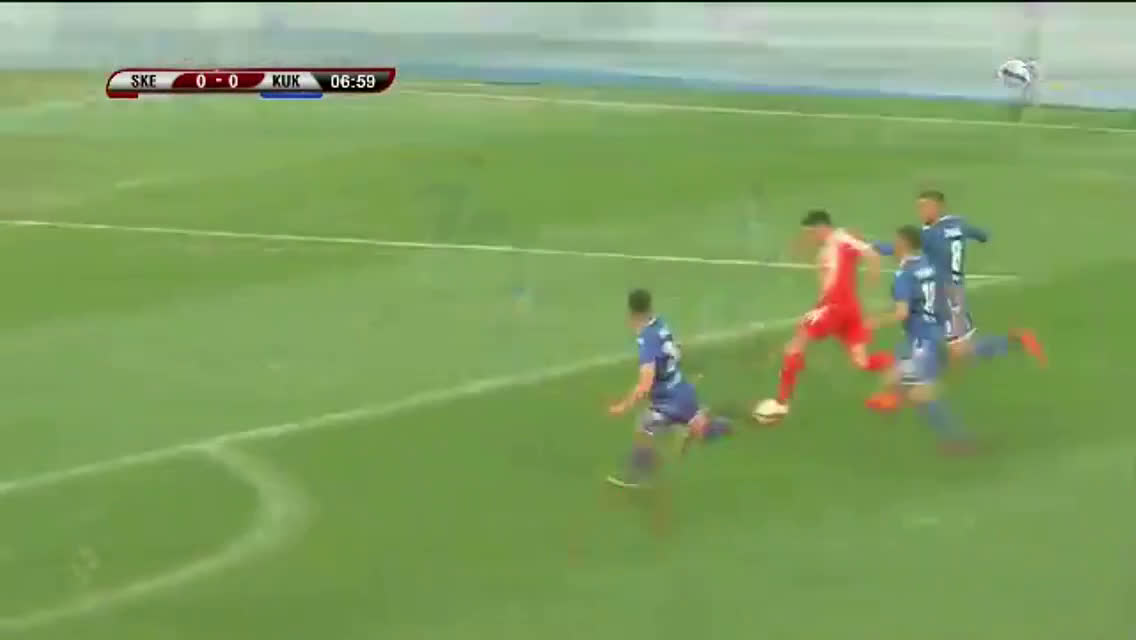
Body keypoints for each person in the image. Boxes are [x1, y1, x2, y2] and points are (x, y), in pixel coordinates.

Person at [757, 210, 893, 422]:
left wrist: (869, 285)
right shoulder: (838, 242)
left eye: (811, 233)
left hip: (832, 308)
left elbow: (872, 256)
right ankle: (902, 365)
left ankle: (781, 403)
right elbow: (867, 253)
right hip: (850, 309)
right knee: (861, 361)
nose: (810, 237)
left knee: (794, 346)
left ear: (821, 228)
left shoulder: (841, 240)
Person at [606, 289, 730, 489]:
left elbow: (644, 385)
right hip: (684, 391)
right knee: (703, 430)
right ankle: (726, 423)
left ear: (631, 312)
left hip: (668, 401)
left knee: (644, 425)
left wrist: (622, 406)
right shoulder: (660, 323)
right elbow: (676, 350)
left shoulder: (647, 340)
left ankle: (639, 474)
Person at [868, 226, 972, 453]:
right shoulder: (926, 263)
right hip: (928, 333)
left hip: (922, 341)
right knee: (892, 380)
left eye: (896, 241)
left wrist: (874, 322)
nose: (893, 245)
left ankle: (957, 439)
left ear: (904, 244)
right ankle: (898, 407)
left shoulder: (903, 276)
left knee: (919, 394)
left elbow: (901, 313)